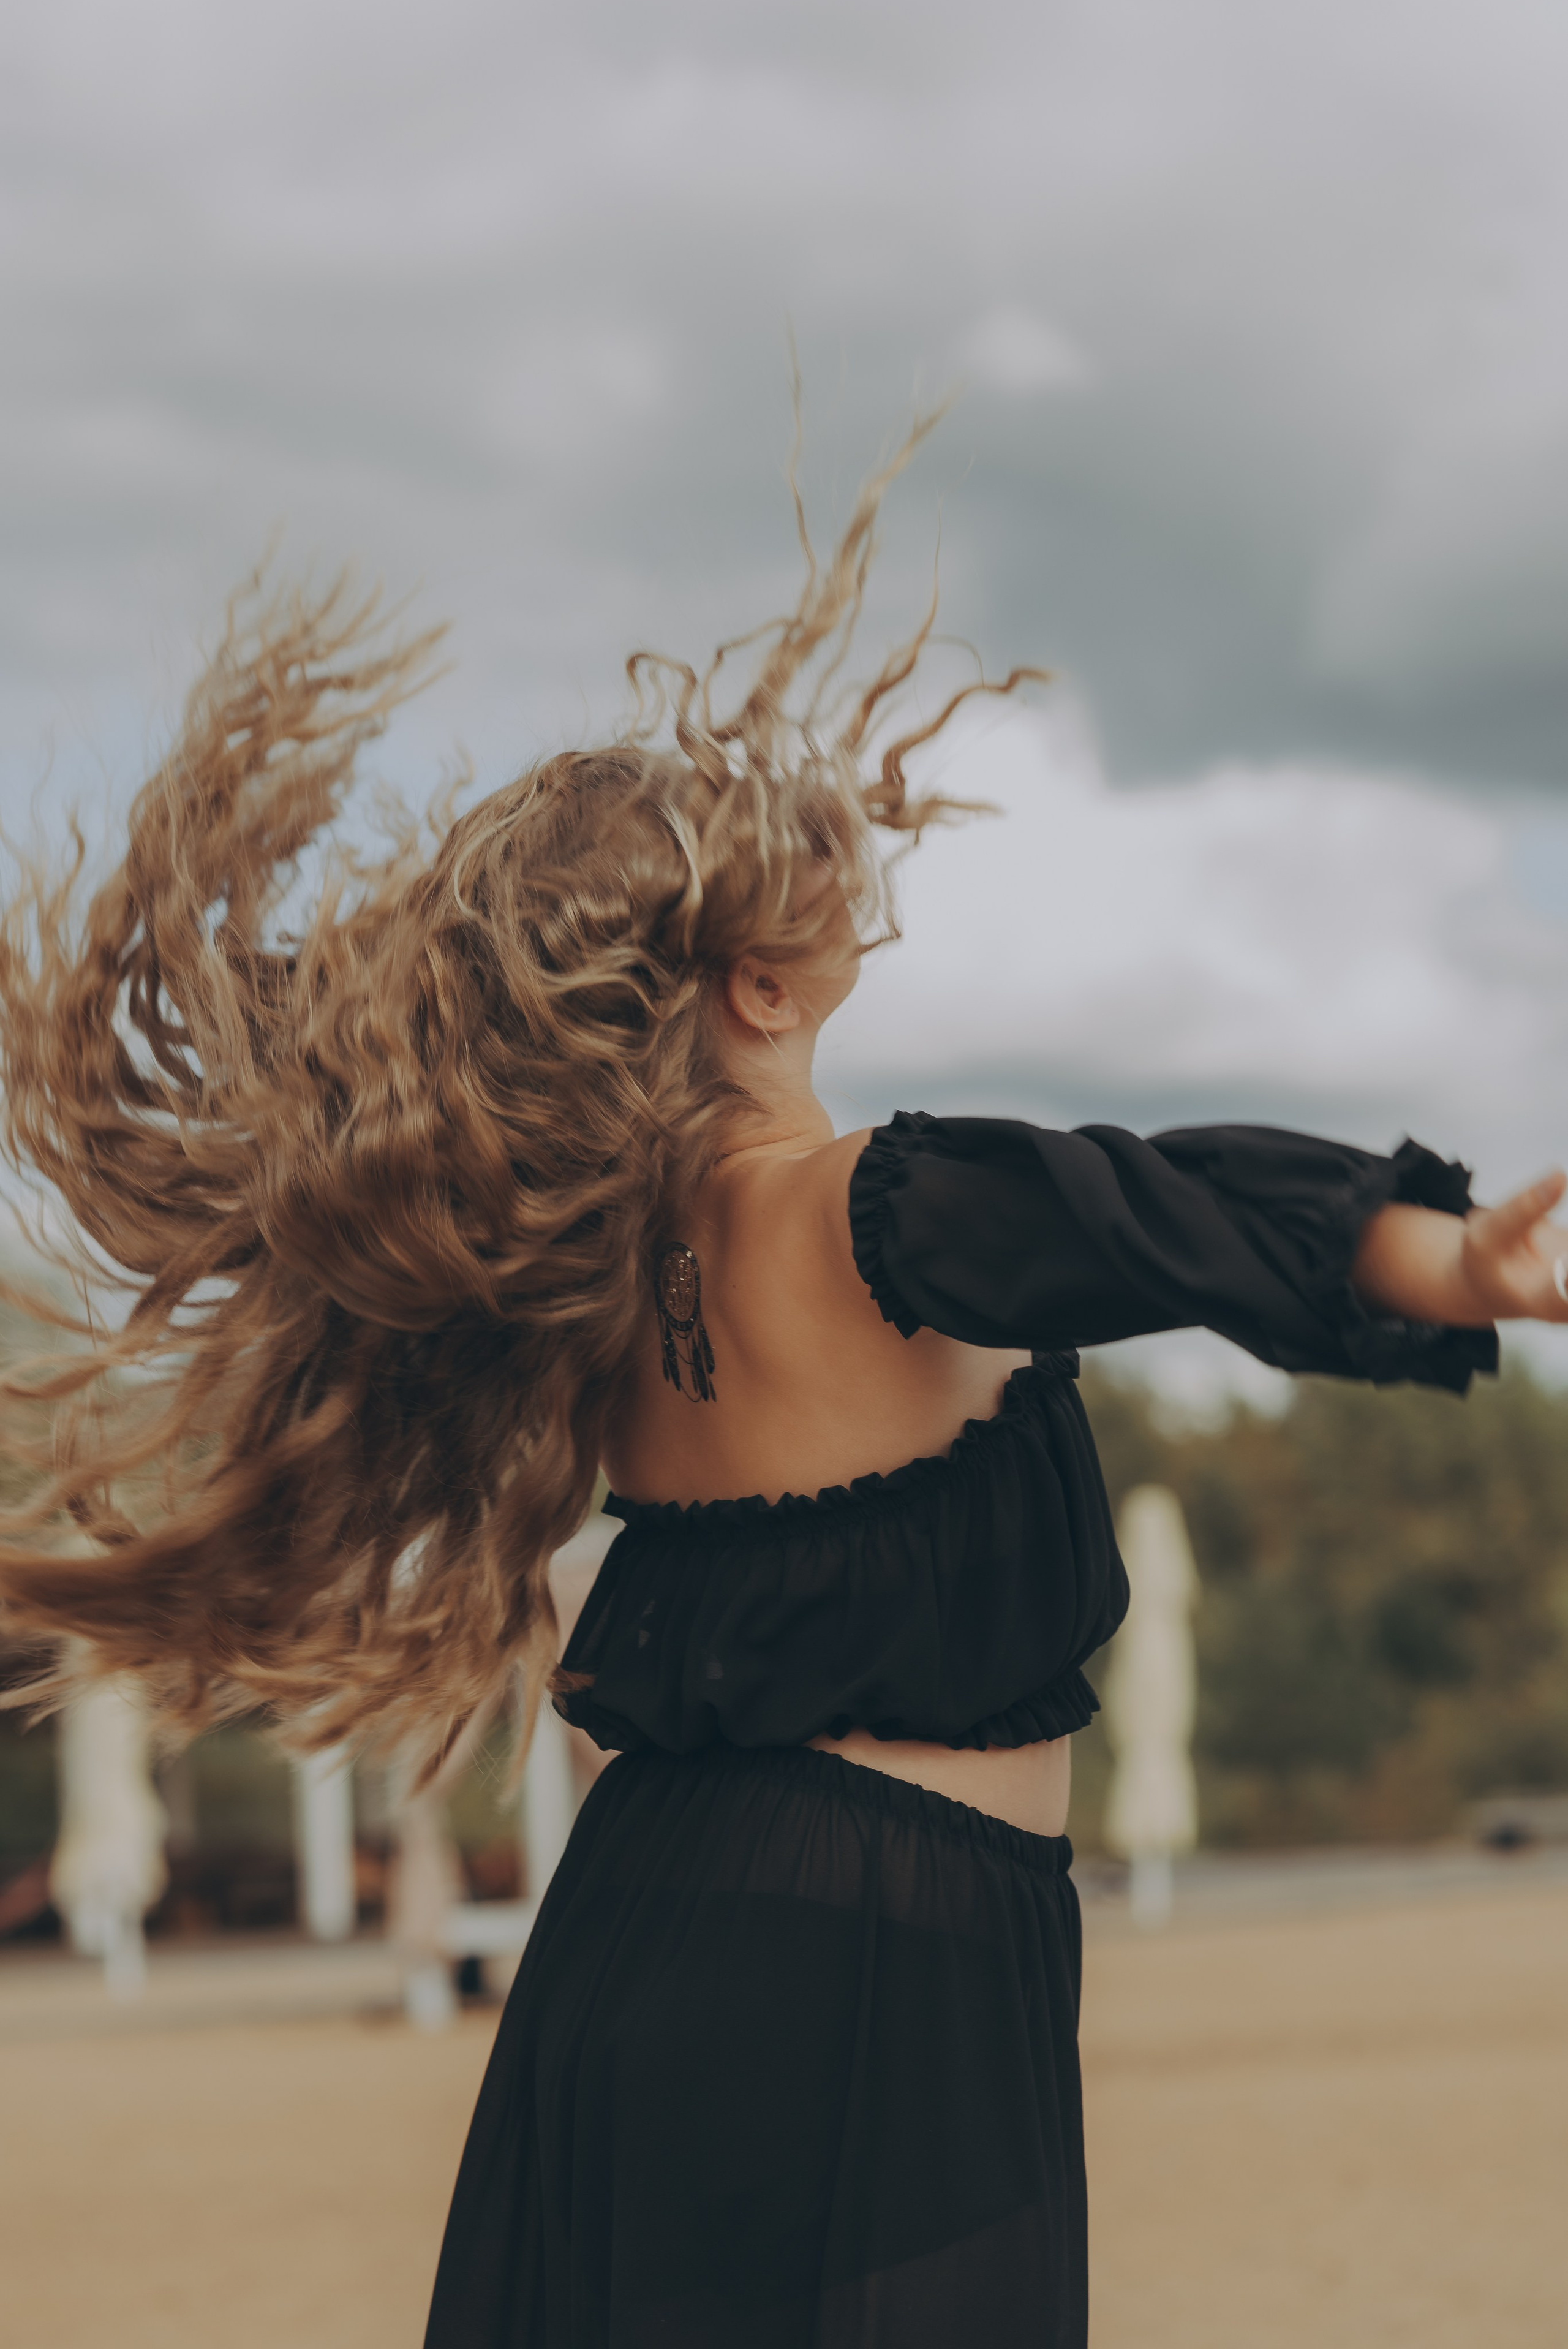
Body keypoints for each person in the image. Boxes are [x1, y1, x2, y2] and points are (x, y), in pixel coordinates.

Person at [1, 433, 1564, 2349]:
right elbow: (1156, 1215)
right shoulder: (871, 1208)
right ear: (755, 987)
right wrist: (1445, 1264)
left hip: (646, 1923)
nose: (857, 891)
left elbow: (1140, 1210)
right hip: (887, 1958)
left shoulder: (579, 1283)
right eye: (818, 888)